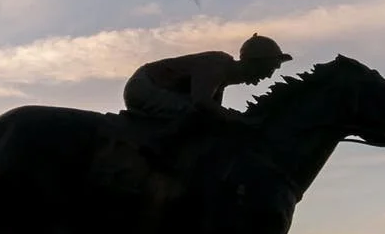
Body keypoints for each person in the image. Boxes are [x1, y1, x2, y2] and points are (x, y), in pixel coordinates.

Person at [123, 33, 293, 161]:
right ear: (254, 63)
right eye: (268, 70)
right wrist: (237, 118)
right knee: (195, 114)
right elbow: (201, 102)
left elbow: (214, 113)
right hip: (144, 87)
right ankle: (155, 146)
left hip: (161, 88)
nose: (267, 77)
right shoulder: (217, 64)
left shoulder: (222, 81)